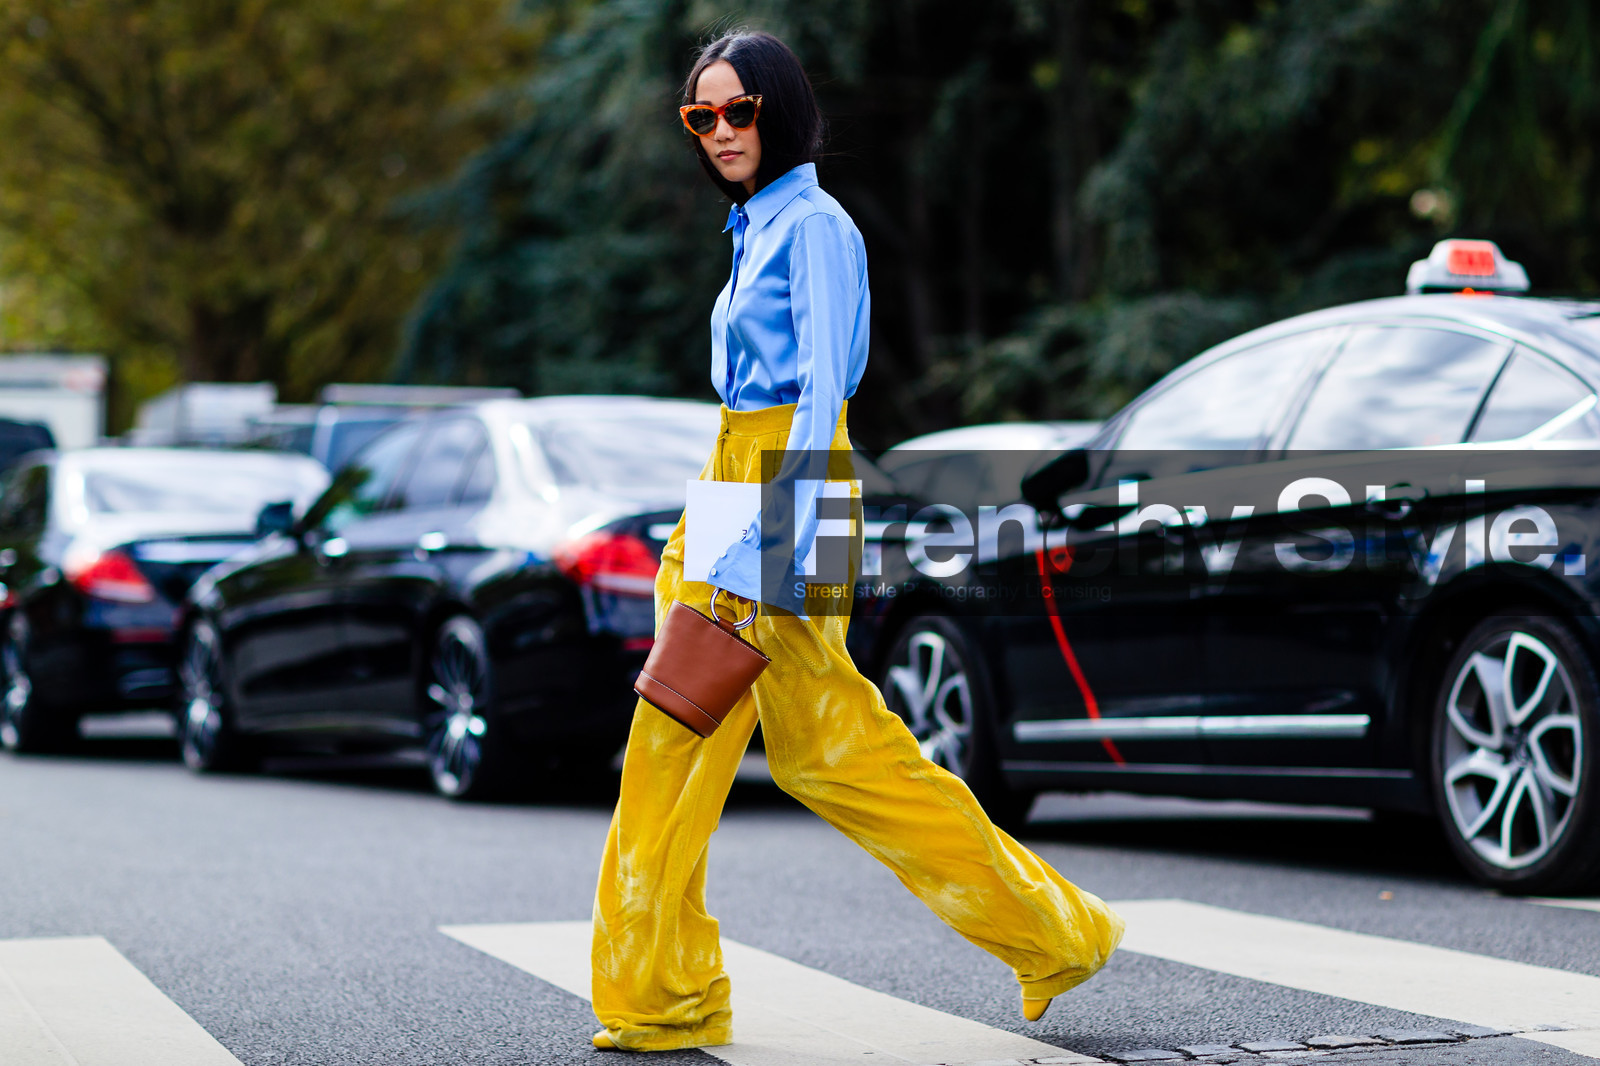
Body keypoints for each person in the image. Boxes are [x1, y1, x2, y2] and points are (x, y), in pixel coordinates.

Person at [589, 29, 1124, 1053]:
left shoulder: (815, 228)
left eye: (738, 110)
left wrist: (768, 545)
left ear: (779, 109)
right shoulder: (755, 226)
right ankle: (668, 990)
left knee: (776, 747)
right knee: (757, 747)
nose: (719, 132)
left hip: (792, 487)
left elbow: (822, 394)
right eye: (700, 116)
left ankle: (1051, 932)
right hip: (738, 482)